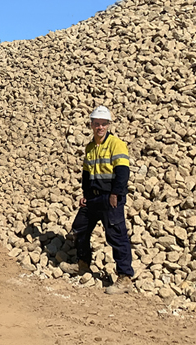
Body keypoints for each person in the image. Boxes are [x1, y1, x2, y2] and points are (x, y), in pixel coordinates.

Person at [61, 106, 134, 294]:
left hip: (110, 199)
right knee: (80, 228)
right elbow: (87, 174)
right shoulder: (90, 147)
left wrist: (115, 194)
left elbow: (122, 172)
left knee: (116, 236)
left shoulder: (116, 144)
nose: (99, 127)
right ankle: (83, 264)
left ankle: (125, 278)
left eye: (103, 124)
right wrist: (85, 194)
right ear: (91, 125)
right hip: (93, 197)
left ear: (108, 125)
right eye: (96, 124)